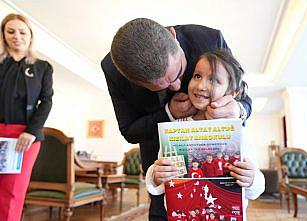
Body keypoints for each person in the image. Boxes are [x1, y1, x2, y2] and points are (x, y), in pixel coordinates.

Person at [101, 18, 252, 220]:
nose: (176, 86)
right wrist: (168, 113)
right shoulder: (113, 70)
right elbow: (129, 130)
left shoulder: (209, 39)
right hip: (161, 165)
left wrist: (238, 110)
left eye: (179, 73)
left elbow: (243, 96)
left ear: (174, 37)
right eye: (161, 86)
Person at [145, 50, 265, 217]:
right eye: (197, 76)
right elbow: (160, 173)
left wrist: (251, 178)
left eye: (214, 80)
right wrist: (156, 175)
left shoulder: (238, 132)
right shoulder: (175, 128)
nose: (201, 86)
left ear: (231, 93)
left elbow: (256, 189)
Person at [0, 14, 53, 221]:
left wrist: (31, 131)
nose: (17, 36)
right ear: (3, 35)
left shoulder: (43, 68)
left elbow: (46, 101)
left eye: (23, 32)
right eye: (10, 31)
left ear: (30, 36)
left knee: (13, 192)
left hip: (25, 138)